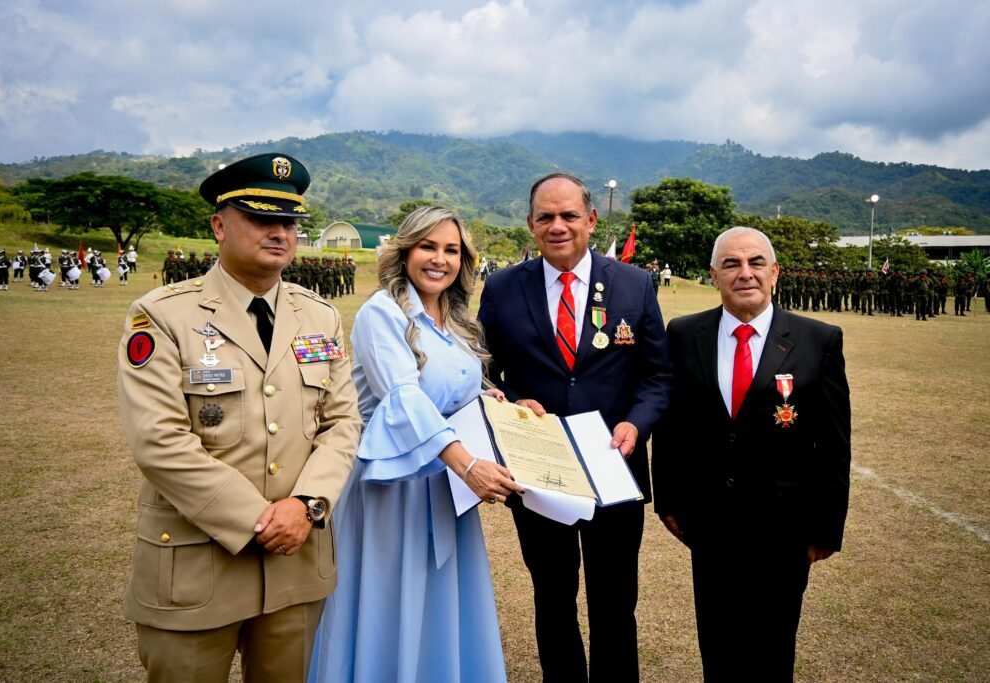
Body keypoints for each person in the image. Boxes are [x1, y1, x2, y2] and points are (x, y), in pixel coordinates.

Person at [117, 153, 362, 682]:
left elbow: (342, 423)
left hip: (296, 560)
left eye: (290, 222)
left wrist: (307, 505)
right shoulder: (164, 315)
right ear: (219, 225)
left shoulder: (318, 316)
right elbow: (159, 442)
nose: (280, 233)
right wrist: (260, 519)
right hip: (197, 566)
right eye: (260, 218)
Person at [309, 206, 522, 683]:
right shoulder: (381, 313)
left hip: (445, 482)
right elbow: (404, 399)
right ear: (405, 251)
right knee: (388, 599)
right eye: (428, 246)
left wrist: (496, 403)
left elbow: (455, 389)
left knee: (441, 598)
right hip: (393, 484)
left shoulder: (456, 320)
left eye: (451, 250)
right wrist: (468, 466)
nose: (439, 259)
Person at [478, 173, 672, 682]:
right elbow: (481, 370)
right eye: (546, 217)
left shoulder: (634, 283)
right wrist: (510, 401)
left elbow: (657, 376)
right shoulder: (502, 287)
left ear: (591, 219)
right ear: (531, 224)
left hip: (614, 466)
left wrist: (637, 423)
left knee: (615, 601)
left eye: (568, 215)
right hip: (539, 473)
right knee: (553, 596)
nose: (557, 226)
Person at [652, 226, 851, 682]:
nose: (745, 273)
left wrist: (826, 527)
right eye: (731, 264)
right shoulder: (684, 333)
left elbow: (834, 443)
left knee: (773, 651)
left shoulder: (818, 339)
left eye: (756, 262)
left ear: (774, 272)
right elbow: (670, 424)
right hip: (710, 523)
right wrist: (669, 501)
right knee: (718, 648)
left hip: (784, 527)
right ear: (714, 276)